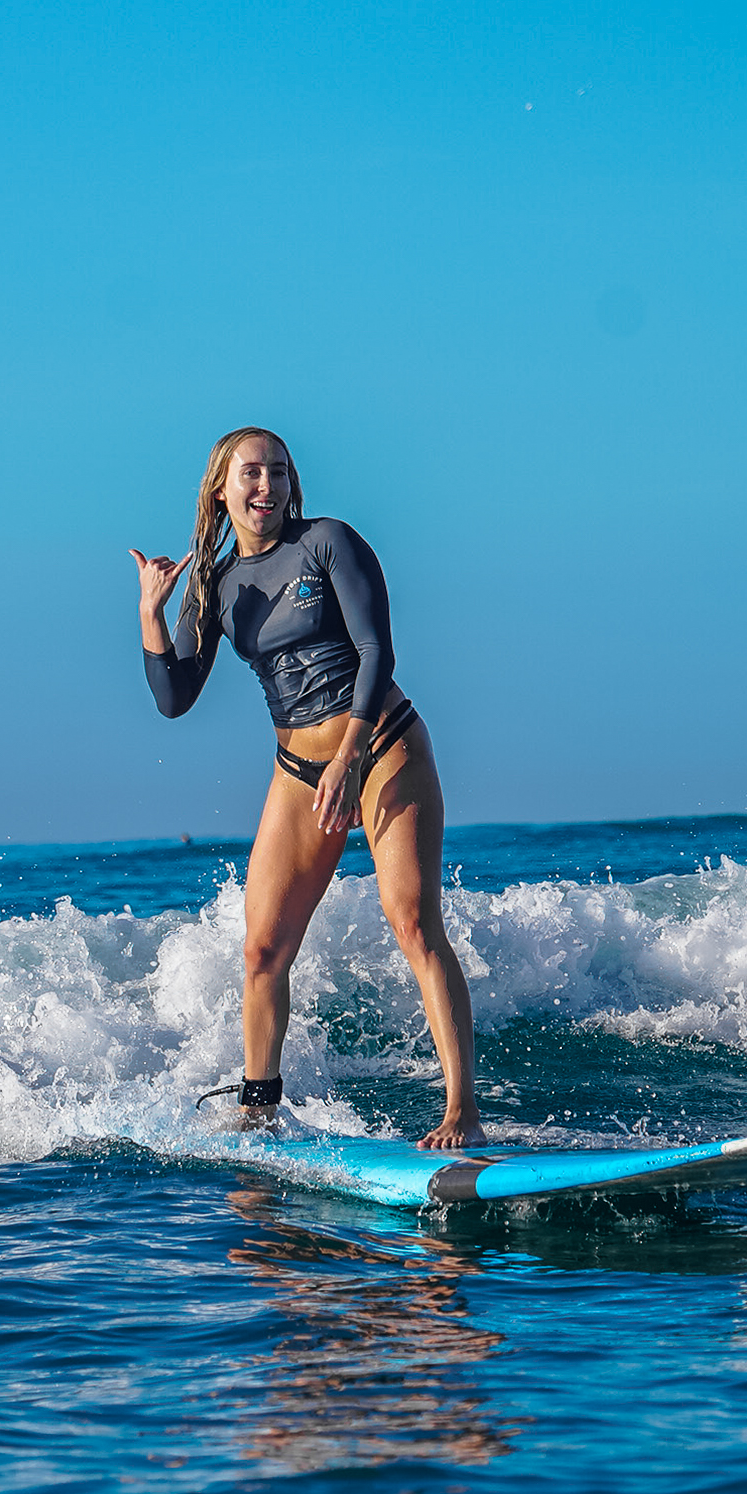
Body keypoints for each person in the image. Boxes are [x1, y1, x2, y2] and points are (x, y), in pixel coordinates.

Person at [131, 427, 482, 1149]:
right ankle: (259, 1110)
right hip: (298, 770)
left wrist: (351, 753)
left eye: (279, 473)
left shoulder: (328, 541)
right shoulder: (214, 584)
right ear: (220, 490)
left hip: (381, 745)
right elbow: (174, 700)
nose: (267, 486)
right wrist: (152, 616)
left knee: (414, 922)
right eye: (251, 474)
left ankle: (462, 1112)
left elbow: (377, 648)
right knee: (262, 951)